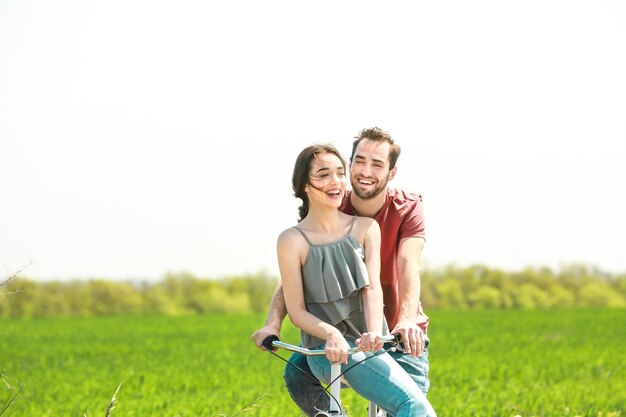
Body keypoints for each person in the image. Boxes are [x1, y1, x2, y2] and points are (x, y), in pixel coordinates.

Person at [253, 127, 432, 416]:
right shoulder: (328, 207)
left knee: (411, 406)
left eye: (377, 164)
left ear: (392, 172)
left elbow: (408, 265)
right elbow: (292, 281)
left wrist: (404, 321)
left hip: (396, 333)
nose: (365, 171)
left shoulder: (403, 209)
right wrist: (273, 324)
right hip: (332, 338)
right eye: (359, 161)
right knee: (298, 375)